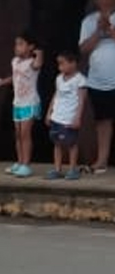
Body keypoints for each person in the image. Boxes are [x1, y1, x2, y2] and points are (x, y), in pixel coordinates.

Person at [0, 31, 42, 178]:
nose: (17, 47)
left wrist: (39, 53)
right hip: (17, 102)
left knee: (25, 134)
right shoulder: (15, 61)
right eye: (16, 44)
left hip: (29, 102)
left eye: (21, 44)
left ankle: (26, 164)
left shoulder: (32, 62)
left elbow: (38, 65)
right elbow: (14, 76)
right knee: (17, 134)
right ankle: (19, 161)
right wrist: (2, 82)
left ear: (30, 47)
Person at [76, 0, 115, 173]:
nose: (110, 0)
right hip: (98, 80)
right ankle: (102, 160)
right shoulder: (89, 21)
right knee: (103, 121)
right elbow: (83, 49)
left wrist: (111, 30)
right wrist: (99, 31)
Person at [44, 50, 89, 181]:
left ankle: (72, 169)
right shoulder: (59, 78)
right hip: (57, 116)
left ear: (73, 63)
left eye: (63, 64)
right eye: (59, 64)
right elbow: (56, 95)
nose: (60, 67)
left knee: (71, 143)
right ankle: (57, 169)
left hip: (69, 117)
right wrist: (49, 112)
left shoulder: (80, 80)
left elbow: (81, 100)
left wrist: (77, 117)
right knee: (57, 143)